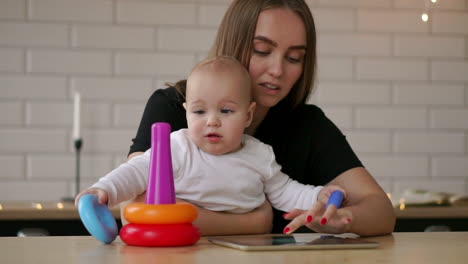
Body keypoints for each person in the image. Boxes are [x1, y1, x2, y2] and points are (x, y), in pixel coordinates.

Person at [126, 0, 395, 236]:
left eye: (294, 58)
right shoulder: (172, 107)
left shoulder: (307, 125)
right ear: (235, 43)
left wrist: (345, 220)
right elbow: (136, 206)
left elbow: (380, 209)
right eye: (262, 51)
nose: (277, 70)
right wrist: (257, 220)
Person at [75, 56, 345, 224]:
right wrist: (105, 190)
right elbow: (136, 172)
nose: (212, 121)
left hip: (240, 250)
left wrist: (318, 196)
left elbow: (285, 191)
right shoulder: (177, 146)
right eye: (200, 111)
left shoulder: (259, 154)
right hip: (185, 246)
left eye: (226, 111)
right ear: (186, 113)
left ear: (248, 115)